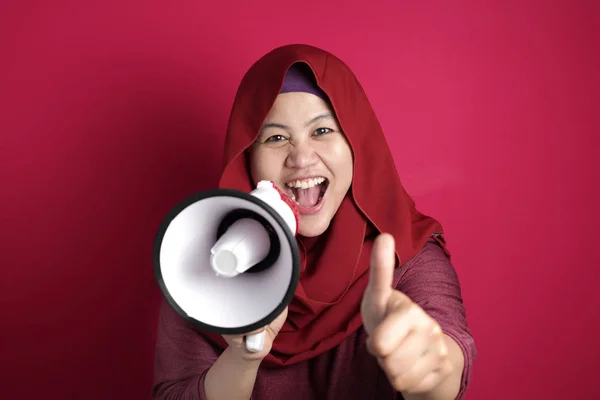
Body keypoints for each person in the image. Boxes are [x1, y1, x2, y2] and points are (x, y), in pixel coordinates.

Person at [152, 44, 476, 400]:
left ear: (356, 143)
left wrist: (429, 371)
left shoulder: (405, 257)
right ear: (247, 159)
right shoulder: (197, 262)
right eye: (276, 138)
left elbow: (449, 358)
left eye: (322, 131)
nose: (302, 158)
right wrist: (244, 358)